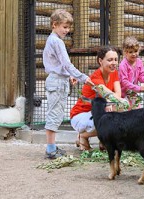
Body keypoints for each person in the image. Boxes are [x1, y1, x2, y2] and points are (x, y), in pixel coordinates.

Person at [43, 9, 94, 159]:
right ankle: (50, 150)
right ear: (54, 25)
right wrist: (83, 77)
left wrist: (69, 76)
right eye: (64, 27)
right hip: (57, 82)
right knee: (54, 115)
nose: (67, 30)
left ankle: (51, 147)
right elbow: (66, 64)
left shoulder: (51, 40)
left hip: (58, 79)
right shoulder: (57, 42)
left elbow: (59, 64)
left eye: (68, 27)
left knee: (56, 114)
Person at [70, 45, 126, 151]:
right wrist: (110, 103)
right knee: (111, 117)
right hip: (80, 115)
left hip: (95, 112)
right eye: (110, 60)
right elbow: (109, 95)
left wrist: (111, 103)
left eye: (115, 59)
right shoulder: (96, 77)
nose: (114, 63)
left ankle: (103, 141)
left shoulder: (114, 73)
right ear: (100, 61)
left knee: (118, 111)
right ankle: (83, 136)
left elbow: (118, 94)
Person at [119, 36, 144, 109]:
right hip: (123, 94)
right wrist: (139, 88)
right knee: (126, 110)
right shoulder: (123, 64)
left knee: (137, 109)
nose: (134, 54)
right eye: (131, 52)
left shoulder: (139, 62)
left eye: (136, 51)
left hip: (133, 93)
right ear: (125, 52)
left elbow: (141, 77)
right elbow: (124, 82)